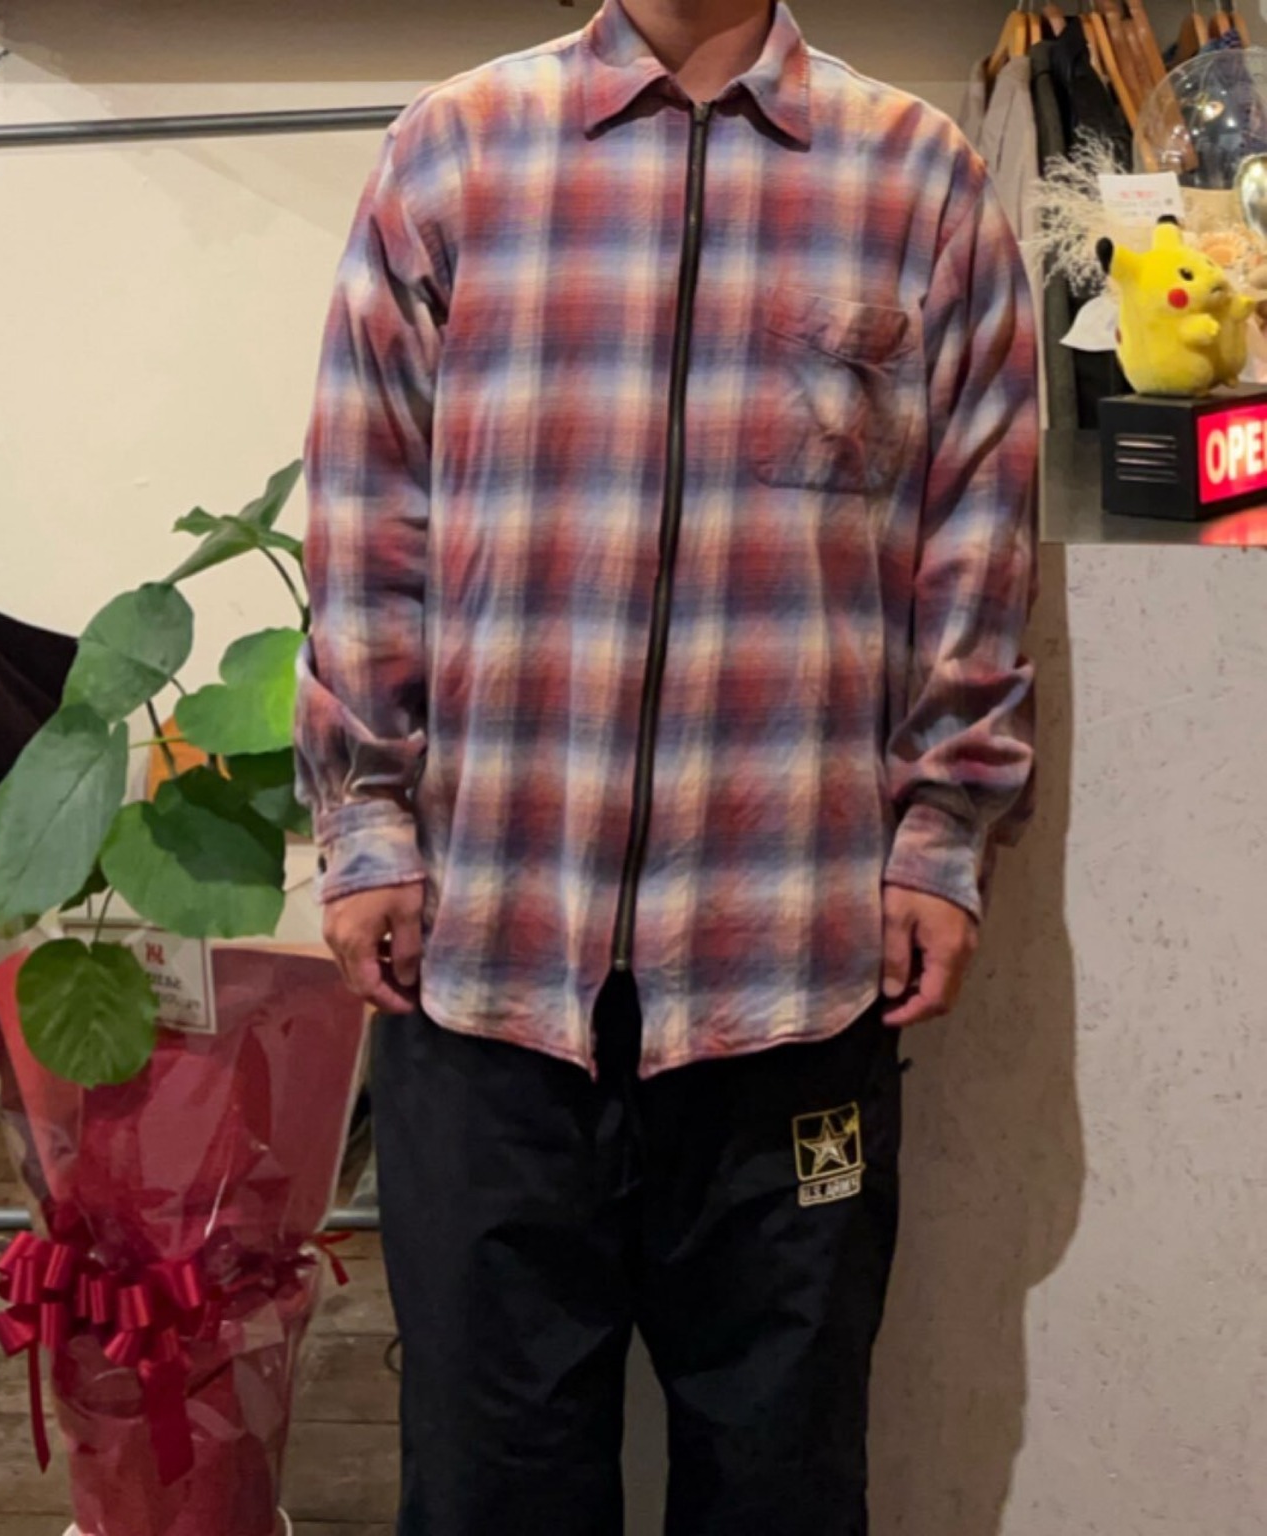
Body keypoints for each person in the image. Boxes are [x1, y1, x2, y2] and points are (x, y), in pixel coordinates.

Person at [294, 1, 1039, 1531]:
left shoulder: (919, 177)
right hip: (488, 974)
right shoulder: (455, 153)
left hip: (796, 981)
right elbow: (368, 515)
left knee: (783, 1490)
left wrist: (942, 834)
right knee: (489, 1496)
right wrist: (365, 820)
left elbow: (976, 541)